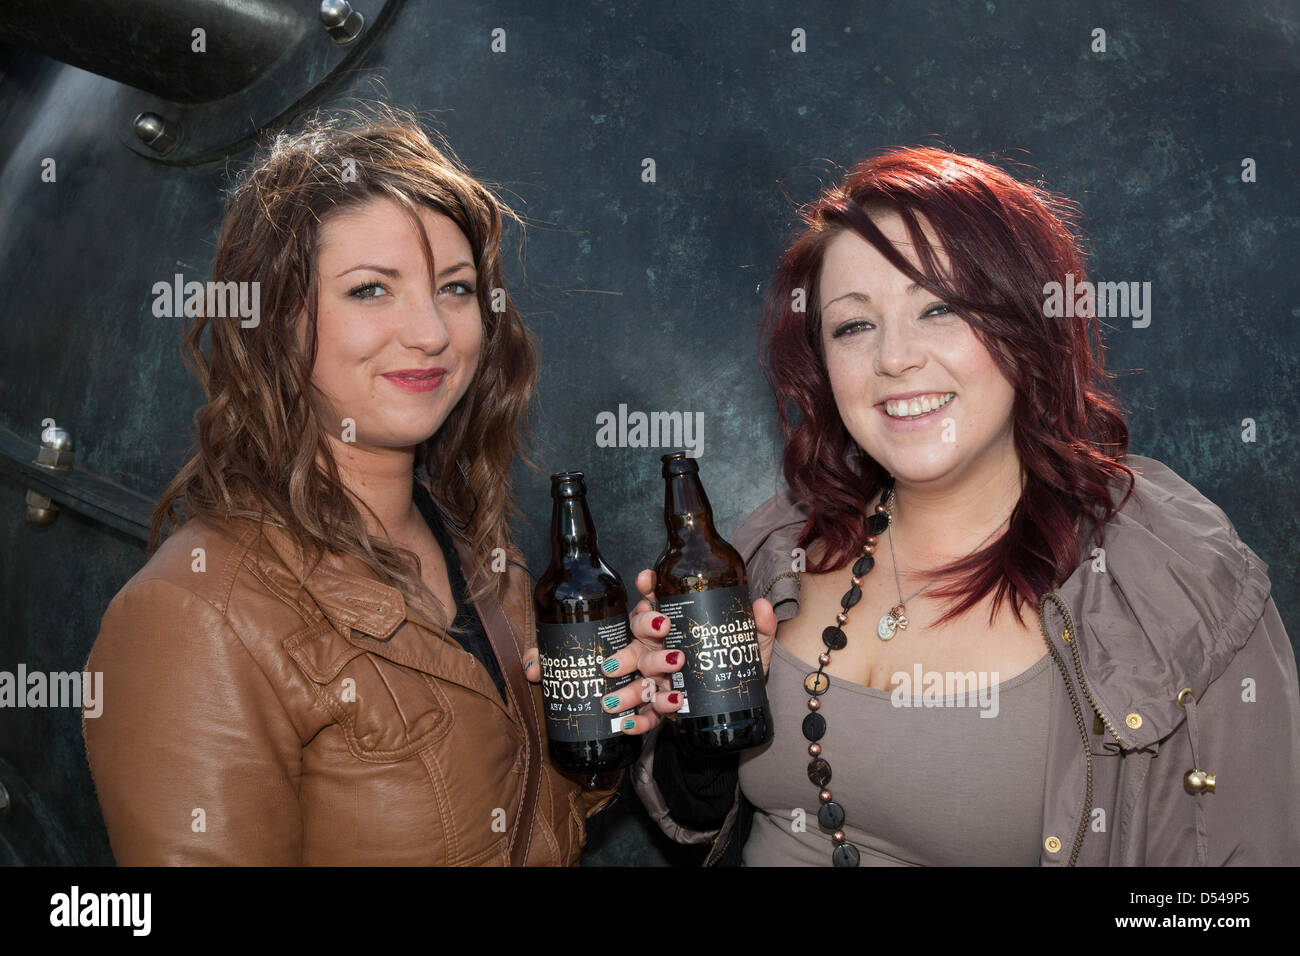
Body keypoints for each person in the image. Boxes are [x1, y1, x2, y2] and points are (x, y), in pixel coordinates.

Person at [605, 146, 1300, 865]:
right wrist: (691, 734)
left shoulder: (1170, 573)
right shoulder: (778, 541)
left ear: (1028, 329)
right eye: (853, 325)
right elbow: (700, 821)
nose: (894, 358)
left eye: (940, 308)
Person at [81, 103, 672, 865]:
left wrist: (610, 728)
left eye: (455, 289)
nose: (430, 331)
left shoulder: (479, 549)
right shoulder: (189, 615)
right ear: (275, 322)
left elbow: (523, 820)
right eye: (371, 290)